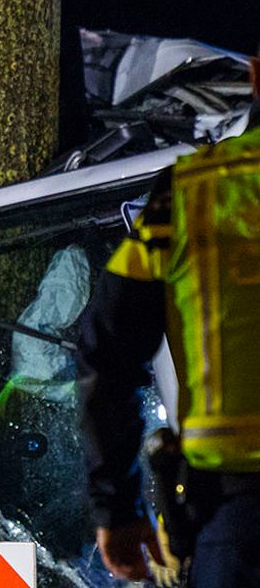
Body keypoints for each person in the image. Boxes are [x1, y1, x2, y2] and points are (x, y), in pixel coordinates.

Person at [77, 59, 260, 587]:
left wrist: (117, 507)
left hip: (239, 529)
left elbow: (106, 346)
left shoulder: (187, 194)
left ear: (255, 73)